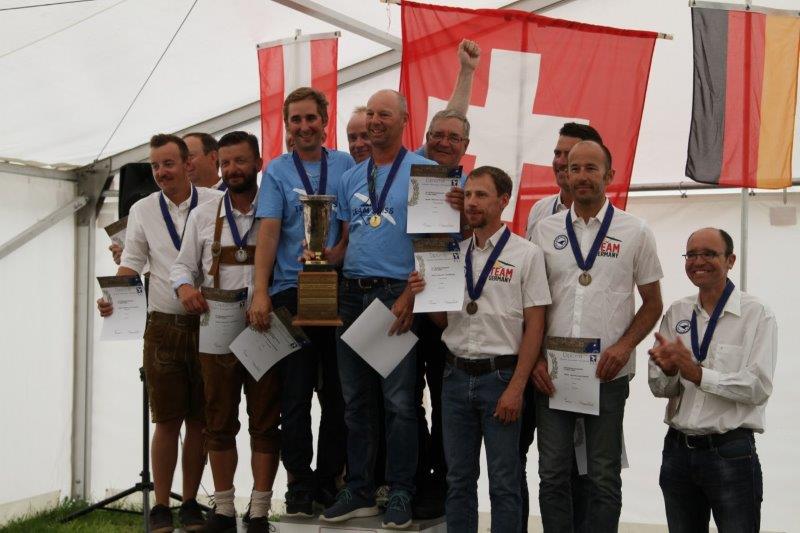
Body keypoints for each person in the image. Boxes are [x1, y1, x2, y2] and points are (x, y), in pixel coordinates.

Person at [320, 89, 458, 530]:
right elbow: (347, 240)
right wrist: (321, 256)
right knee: (355, 401)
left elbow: (438, 244)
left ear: (404, 120)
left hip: (394, 295)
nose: (375, 122)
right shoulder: (350, 177)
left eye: (384, 114)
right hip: (351, 295)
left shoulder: (424, 172)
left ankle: (401, 491)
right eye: (371, 115)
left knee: (399, 403)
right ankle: (360, 489)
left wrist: (410, 297)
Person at [531, 140, 663, 531]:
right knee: (552, 473)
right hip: (553, 374)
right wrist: (535, 359)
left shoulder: (635, 231)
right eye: (574, 168)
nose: (582, 176)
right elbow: (530, 305)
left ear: (609, 175)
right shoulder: (544, 231)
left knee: (603, 474)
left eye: (591, 168)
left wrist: (624, 347)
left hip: (607, 373)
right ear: (565, 175)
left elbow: (653, 303)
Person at [408, 166, 550, 532]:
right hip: (455, 376)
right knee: (458, 480)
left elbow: (535, 326)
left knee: (504, 482)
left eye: (481, 195)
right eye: (468, 195)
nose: (471, 202)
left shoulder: (527, 254)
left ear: (503, 201)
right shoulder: (453, 254)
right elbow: (445, 322)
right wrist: (425, 294)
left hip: (500, 377)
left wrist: (517, 387)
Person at [97, 134, 221, 532]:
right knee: (166, 420)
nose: (161, 172)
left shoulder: (216, 203)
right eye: (155, 166)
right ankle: (162, 506)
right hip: (164, 326)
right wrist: (112, 299)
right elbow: (132, 262)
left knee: (201, 421)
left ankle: (190, 503)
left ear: (188, 164)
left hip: (210, 324)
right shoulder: (143, 209)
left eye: (168, 163)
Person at [248, 87, 354, 516]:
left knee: (338, 394)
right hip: (291, 292)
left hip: (337, 291)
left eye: (311, 118)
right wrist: (260, 290)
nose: (304, 126)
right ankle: (298, 483)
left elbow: (351, 227)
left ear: (325, 120)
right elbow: (269, 231)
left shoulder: (346, 165)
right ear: (287, 125)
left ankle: (328, 480)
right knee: (294, 395)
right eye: (296, 120)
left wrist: (338, 253)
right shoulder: (276, 170)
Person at [170, 131, 279, 533]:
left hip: (264, 325)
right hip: (217, 326)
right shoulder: (204, 215)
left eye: (241, 161)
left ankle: (260, 510)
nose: (233, 169)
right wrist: (184, 288)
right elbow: (182, 266)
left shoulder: (275, 210)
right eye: (226, 162)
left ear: (258, 164)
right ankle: (224, 508)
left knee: (265, 419)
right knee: (217, 419)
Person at [649, 227, 776, 532]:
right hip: (678, 451)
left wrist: (698, 374)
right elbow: (658, 387)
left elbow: (758, 387)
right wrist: (669, 371)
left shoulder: (757, 314)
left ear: (730, 260)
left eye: (709, 254)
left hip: (730, 452)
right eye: (691, 254)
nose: (698, 261)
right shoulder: (678, 311)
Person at [522, 121, 603, 531]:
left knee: (589, 469)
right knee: (550, 468)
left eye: (570, 156)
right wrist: (533, 356)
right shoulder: (540, 212)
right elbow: (527, 291)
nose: (561, 162)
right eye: (558, 155)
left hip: (591, 365)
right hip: (545, 362)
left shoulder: (618, 223)